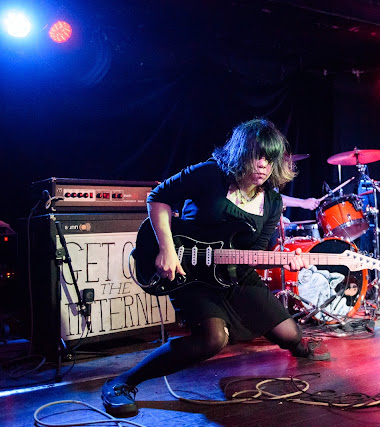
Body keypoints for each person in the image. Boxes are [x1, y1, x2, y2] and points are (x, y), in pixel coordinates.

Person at [101, 118, 330, 417]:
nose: (262, 164)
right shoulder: (210, 174)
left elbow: (252, 253)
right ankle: (121, 383)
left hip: (232, 273)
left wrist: (285, 259)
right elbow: (157, 198)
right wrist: (168, 249)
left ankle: (298, 344)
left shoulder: (272, 202)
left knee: (290, 335)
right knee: (213, 339)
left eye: (270, 158)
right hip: (189, 270)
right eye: (256, 155)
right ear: (240, 152)